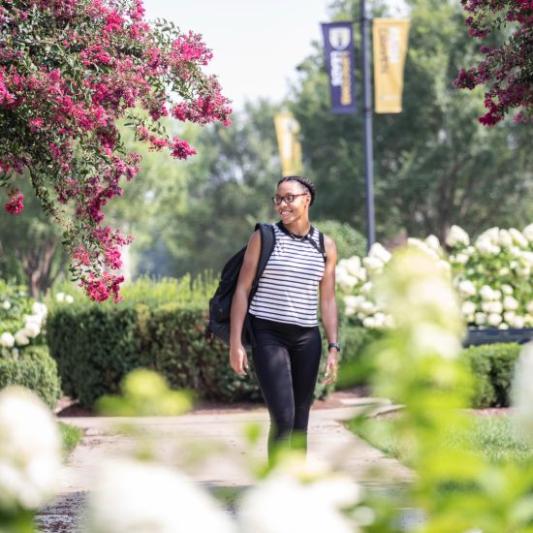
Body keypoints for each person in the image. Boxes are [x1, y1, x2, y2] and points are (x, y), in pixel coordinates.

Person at [229, 175, 339, 462]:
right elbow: (242, 289)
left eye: (289, 197)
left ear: (307, 199)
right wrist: (236, 342)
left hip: (307, 338)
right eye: (278, 198)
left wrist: (334, 347)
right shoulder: (264, 237)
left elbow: (327, 299)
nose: (282, 204)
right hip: (268, 335)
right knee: (284, 417)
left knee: (301, 420)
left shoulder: (324, 246)